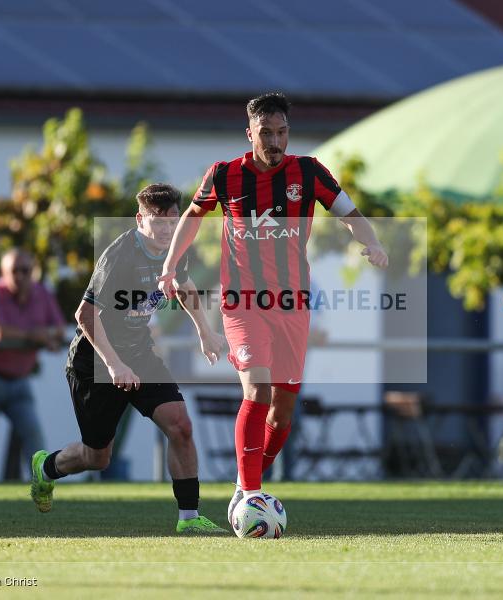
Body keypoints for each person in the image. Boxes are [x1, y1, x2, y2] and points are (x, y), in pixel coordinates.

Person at [157, 92, 389, 522]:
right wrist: (170, 266)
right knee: (256, 389)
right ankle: (250, 493)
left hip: (293, 305)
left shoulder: (309, 171)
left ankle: (244, 486)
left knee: (282, 413)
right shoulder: (225, 174)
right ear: (250, 133)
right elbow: (192, 216)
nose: (276, 141)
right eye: (266, 133)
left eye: (282, 132)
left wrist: (372, 241)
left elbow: (348, 212)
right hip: (243, 303)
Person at [29, 183, 227, 534]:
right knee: (97, 457)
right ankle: (46, 468)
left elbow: (183, 286)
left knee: (180, 426)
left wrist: (204, 331)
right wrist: (114, 365)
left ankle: (189, 518)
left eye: (172, 221)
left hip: (139, 354)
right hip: (94, 363)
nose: (167, 229)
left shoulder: (174, 249)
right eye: (158, 221)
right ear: (140, 220)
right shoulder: (119, 256)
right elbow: (84, 315)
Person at [0, 249, 66, 482]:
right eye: (14, 271)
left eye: (25, 270)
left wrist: (44, 335)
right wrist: (35, 336)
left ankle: (42, 487)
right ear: (2, 272)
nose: (20, 276)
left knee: (34, 437)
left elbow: (58, 328)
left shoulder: (42, 293)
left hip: (18, 379)